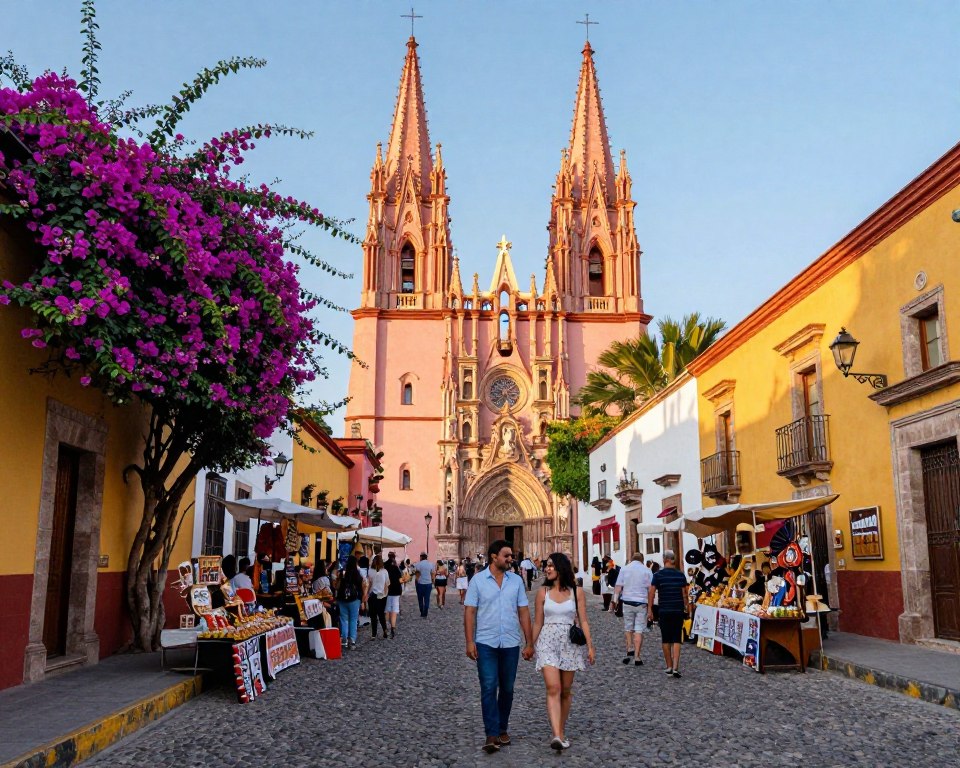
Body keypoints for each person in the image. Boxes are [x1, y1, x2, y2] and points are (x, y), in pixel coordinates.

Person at [463, 539, 534, 754]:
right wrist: (469, 641)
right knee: (488, 686)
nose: (511, 559)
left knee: (507, 688)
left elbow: (523, 611)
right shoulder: (477, 581)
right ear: (494, 557)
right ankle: (491, 733)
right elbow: (470, 611)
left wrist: (529, 642)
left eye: (511, 555)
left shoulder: (516, 581)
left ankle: (502, 727)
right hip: (486, 642)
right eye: (507, 555)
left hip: (510, 642)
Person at [532, 552, 594, 751]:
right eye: (546, 565)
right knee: (554, 688)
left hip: (569, 643)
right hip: (547, 641)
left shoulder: (577, 592)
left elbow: (583, 620)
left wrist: (590, 647)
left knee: (565, 691)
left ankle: (561, 730)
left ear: (561, 567)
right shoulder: (542, 592)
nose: (547, 569)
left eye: (551, 565)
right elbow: (538, 622)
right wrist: (529, 644)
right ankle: (557, 735)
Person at [647, 550, 689, 678]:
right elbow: (684, 594)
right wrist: (686, 607)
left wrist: (649, 609)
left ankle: (669, 666)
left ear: (664, 559)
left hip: (664, 610)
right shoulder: (680, 575)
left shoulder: (658, 575)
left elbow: (651, 593)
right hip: (677, 609)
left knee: (666, 638)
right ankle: (676, 667)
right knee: (676, 638)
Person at [612, 553, 653, 666]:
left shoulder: (624, 569)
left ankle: (630, 647)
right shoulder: (647, 570)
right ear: (642, 560)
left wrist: (615, 601)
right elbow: (651, 590)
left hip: (627, 602)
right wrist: (651, 607)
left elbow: (618, 587)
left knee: (628, 627)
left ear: (631, 559)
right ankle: (637, 657)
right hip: (641, 603)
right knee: (639, 630)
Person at [336, 555, 366, 650]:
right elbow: (362, 587)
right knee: (353, 620)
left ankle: (344, 639)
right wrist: (362, 601)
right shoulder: (358, 575)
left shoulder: (342, 573)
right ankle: (352, 641)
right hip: (354, 600)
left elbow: (337, 587)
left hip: (342, 599)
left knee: (344, 619)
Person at [367, 554, 389, 639]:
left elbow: (369, 584)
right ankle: (385, 630)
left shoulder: (370, 571)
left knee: (373, 616)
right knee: (381, 615)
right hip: (381, 595)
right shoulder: (385, 571)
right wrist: (385, 594)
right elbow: (387, 584)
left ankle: (374, 634)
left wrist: (367, 594)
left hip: (372, 595)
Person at [384, 552, 403, 638]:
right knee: (394, 610)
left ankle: (386, 628)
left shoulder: (385, 566)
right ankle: (393, 628)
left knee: (387, 610)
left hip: (387, 591)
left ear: (388, 556)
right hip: (396, 591)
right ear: (394, 557)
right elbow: (400, 579)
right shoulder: (396, 567)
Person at [414, 552, 435, 618]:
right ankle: (425, 613)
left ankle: (421, 612)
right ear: (426, 557)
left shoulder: (418, 564)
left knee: (420, 599)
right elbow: (432, 574)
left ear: (421, 557)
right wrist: (433, 581)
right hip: (428, 584)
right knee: (427, 599)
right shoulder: (431, 564)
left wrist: (416, 583)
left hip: (420, 584)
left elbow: (417, 575)